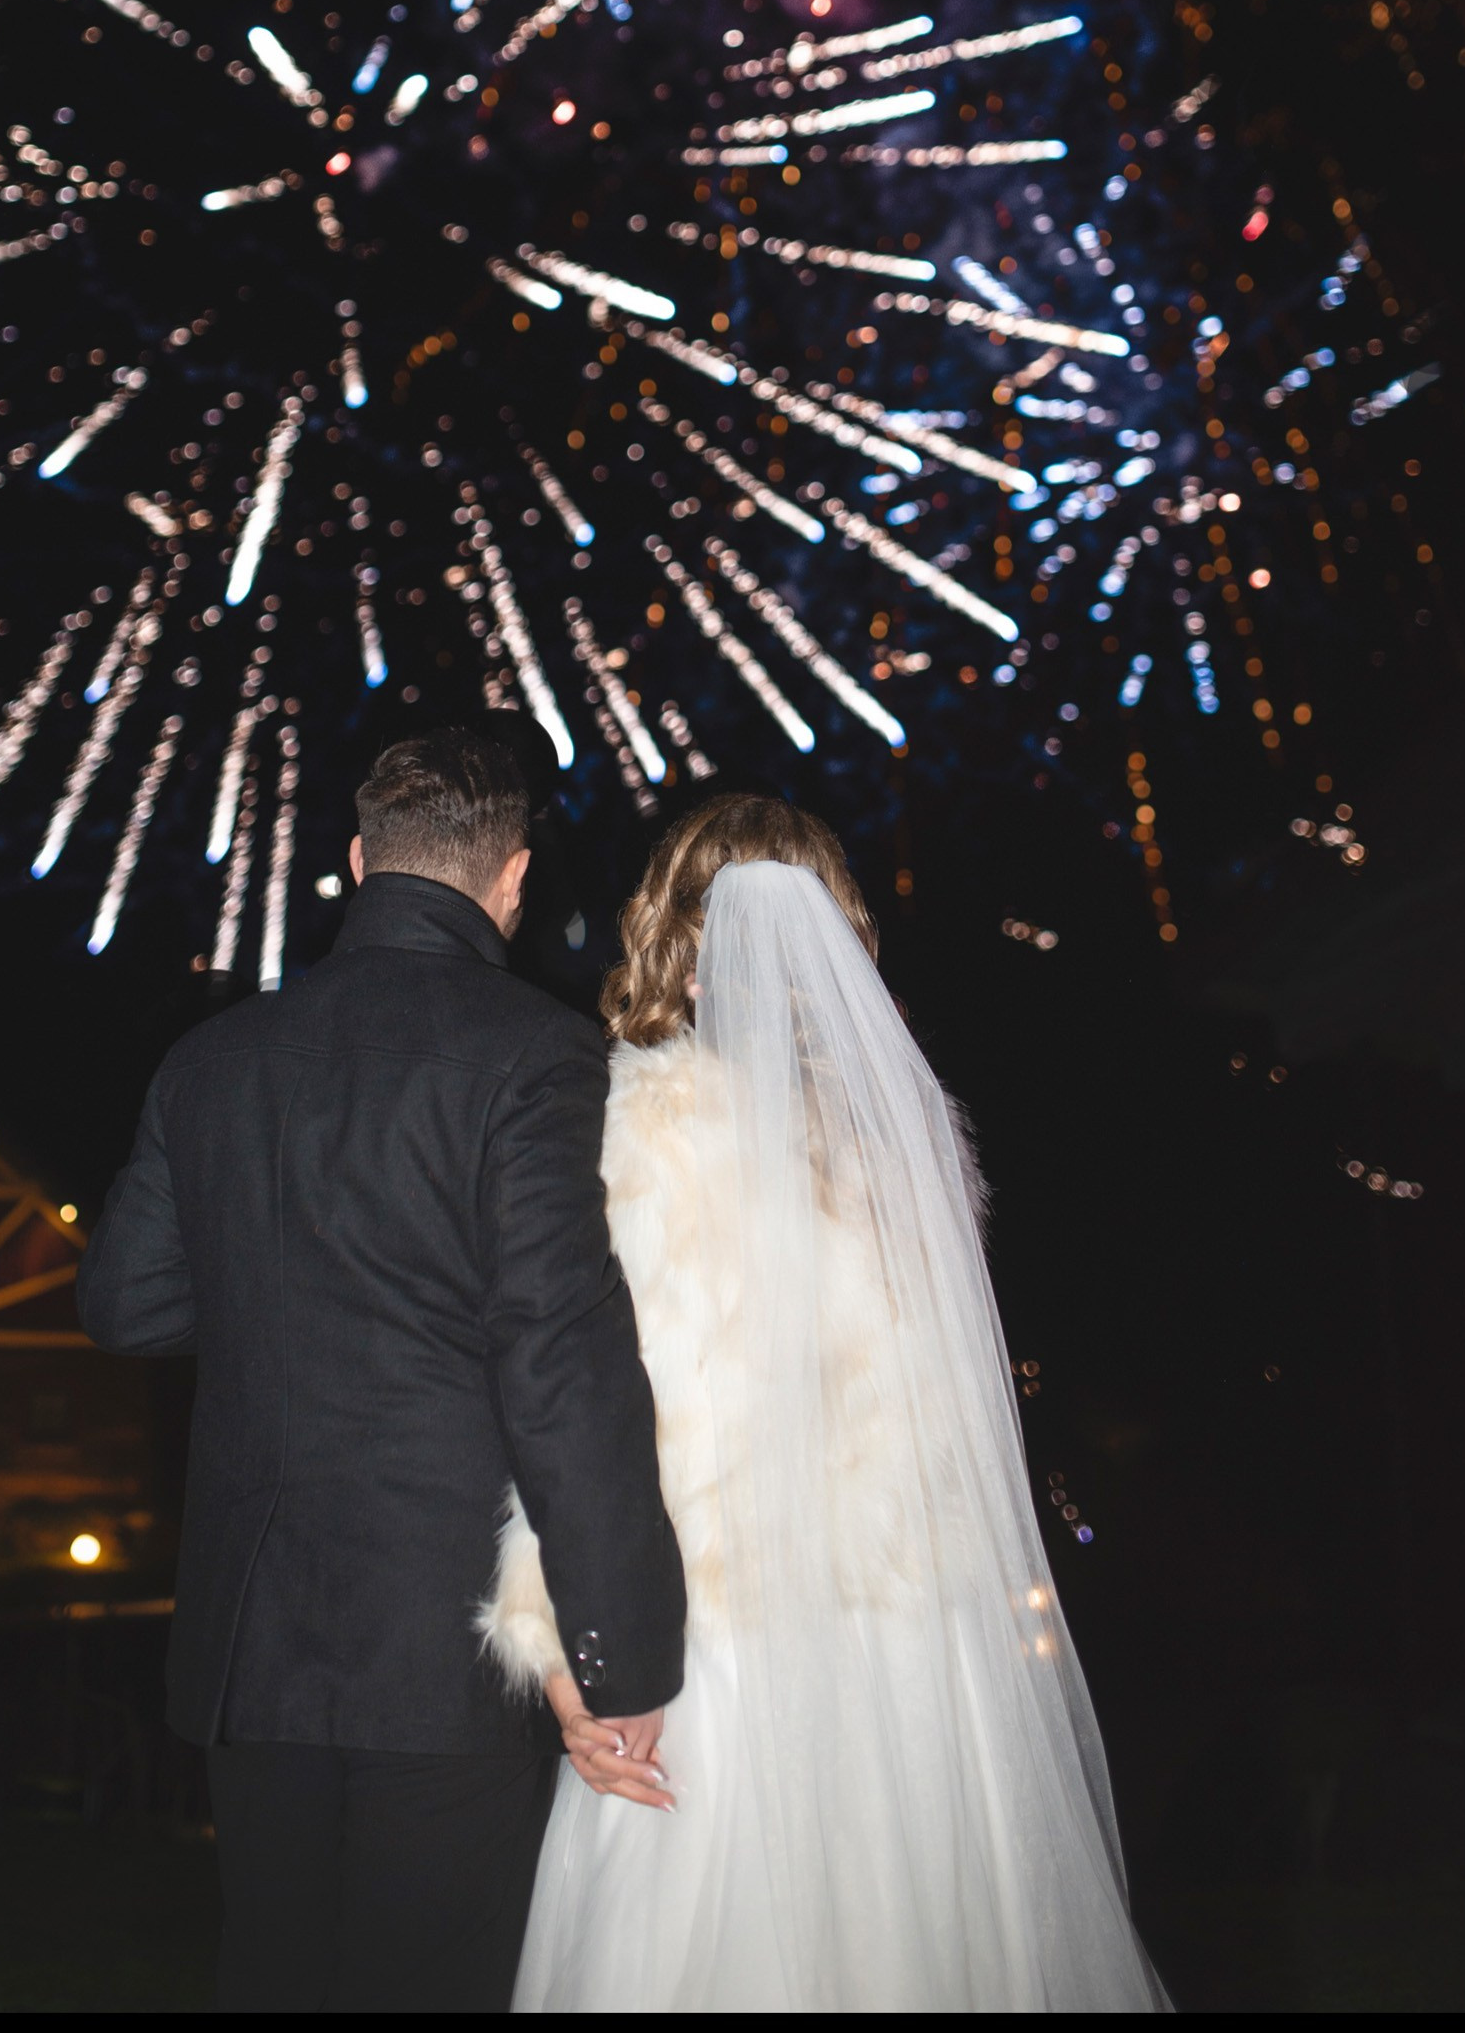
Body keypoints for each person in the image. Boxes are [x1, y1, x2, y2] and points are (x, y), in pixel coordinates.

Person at [475, 794, 1174, 2009]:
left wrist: (568, 1660)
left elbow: (614, 1416)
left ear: (670, 939)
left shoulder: (642, 1127)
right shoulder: (906, 1142)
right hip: (918, 1652)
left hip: (722, 1659)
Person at [76, 726, 687, 2011]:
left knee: (278, 1980)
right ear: (513, 880)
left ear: (358, 862)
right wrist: (620, 1659)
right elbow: (560, 1364)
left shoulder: (213, 1058)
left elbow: (127, 1307)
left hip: (253, 1651)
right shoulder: (538, 1057)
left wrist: (279, 1302)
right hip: (438, 1651)